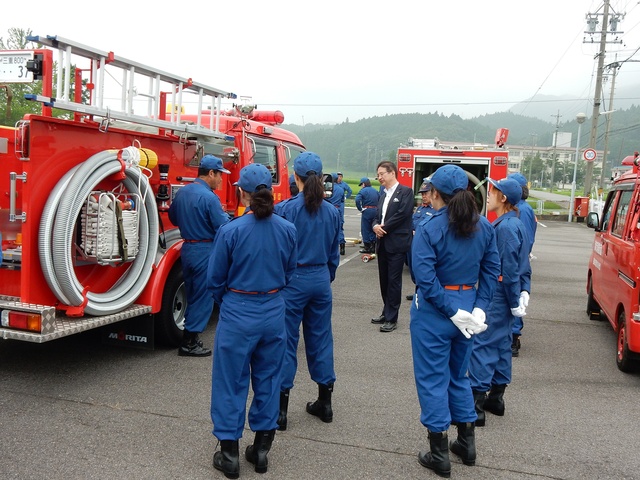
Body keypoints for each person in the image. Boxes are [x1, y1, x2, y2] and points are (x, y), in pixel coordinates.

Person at [409, 164, 500, 477]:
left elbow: (424, 275)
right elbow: (491, 269)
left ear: (436, 193)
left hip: (436, 311)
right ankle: (466, 444)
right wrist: (479, 308)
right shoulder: (484, 226)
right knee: (459, 375)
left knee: (432, 378)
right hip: (468, 307)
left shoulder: (431, 227)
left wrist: (450, 309)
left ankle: (439, 454)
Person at [208, 163, 297, 479]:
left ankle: (229, 454)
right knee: (269, 378)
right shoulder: (287, 229)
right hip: (273, 309)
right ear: (272, 192)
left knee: (230, 380)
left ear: (240, 193)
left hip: (238, 310)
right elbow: (289, 272)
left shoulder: (230, 231)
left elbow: (215, 279)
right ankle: (261, 450)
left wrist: (230, 301)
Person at [275, 152, 340, 431]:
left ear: (296, 177)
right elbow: (334, 253)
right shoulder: (333, 211)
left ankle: (280, 412)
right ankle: (324, 403)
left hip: (294, 280)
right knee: (321, 339)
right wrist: (327, 276)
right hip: (320, 279)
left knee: (286, 342)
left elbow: (277, 251)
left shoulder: (287, 209)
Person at [468, 177, 530, 428]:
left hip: (497, 295)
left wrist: (515, 297)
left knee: (483, 345)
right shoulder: (515, 223)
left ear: (503, 198)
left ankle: (477, 405)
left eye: (493, 191)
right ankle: (496, 398)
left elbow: (507, 271)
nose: (489, 195)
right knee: (502, 346)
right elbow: (523, 265)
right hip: (507, 295)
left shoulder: (504, 228)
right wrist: (523, 292)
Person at [168, 154, 230, 357]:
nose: (221, 179)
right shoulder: (210, 197)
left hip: (187, 249)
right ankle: (189, 342)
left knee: (192, 293)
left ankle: (190, 337)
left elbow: (174, 218)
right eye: (219, 175)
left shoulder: (183, 193)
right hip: (206, 249)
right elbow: (222, 226)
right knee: (204, 296)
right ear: (210, 173)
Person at [370, 161, 414, 333]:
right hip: (382, 243)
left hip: (396, 244)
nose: (379, 177)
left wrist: (383, 228)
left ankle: (392, 317)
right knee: (384, 280)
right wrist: (375, 226)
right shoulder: (382, 195)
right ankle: (385, 310)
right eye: (378, 174)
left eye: (382, 174)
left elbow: (402, 214)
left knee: (394, 282)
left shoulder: (405, 192)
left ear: (392, 173)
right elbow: (376, 216)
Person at [507, 172, 537, 357]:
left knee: (515, 296)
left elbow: (523, 240)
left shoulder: (522, 211)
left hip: (517, 263)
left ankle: (513, 339)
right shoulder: (521, 208)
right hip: (517, 262)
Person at [406, 178, 437, 301]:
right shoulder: (420, 209)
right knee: (413, 269)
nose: (423, 196)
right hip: (413, 243)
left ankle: (422, 293)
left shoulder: (435, 209)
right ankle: (417, 291)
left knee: (423, 269)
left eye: (426, 193)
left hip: (424, 244)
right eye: (422, 194)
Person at [355, 177, 380, 254]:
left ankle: (367, 246)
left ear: (363, 184)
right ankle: (373, 245)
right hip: (376, 210)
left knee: (365, 228)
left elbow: (357, 200)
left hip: (367, 210)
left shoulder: (363, 191)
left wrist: (360, 208)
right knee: (373, 227)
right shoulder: (375, 191)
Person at [327, 172, 347, 255]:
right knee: (339, 228)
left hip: (329, 209)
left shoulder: (328, 188)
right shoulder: (341, 189)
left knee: (328, 228)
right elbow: (342, 200)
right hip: (338, 209)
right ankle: (342, 246)